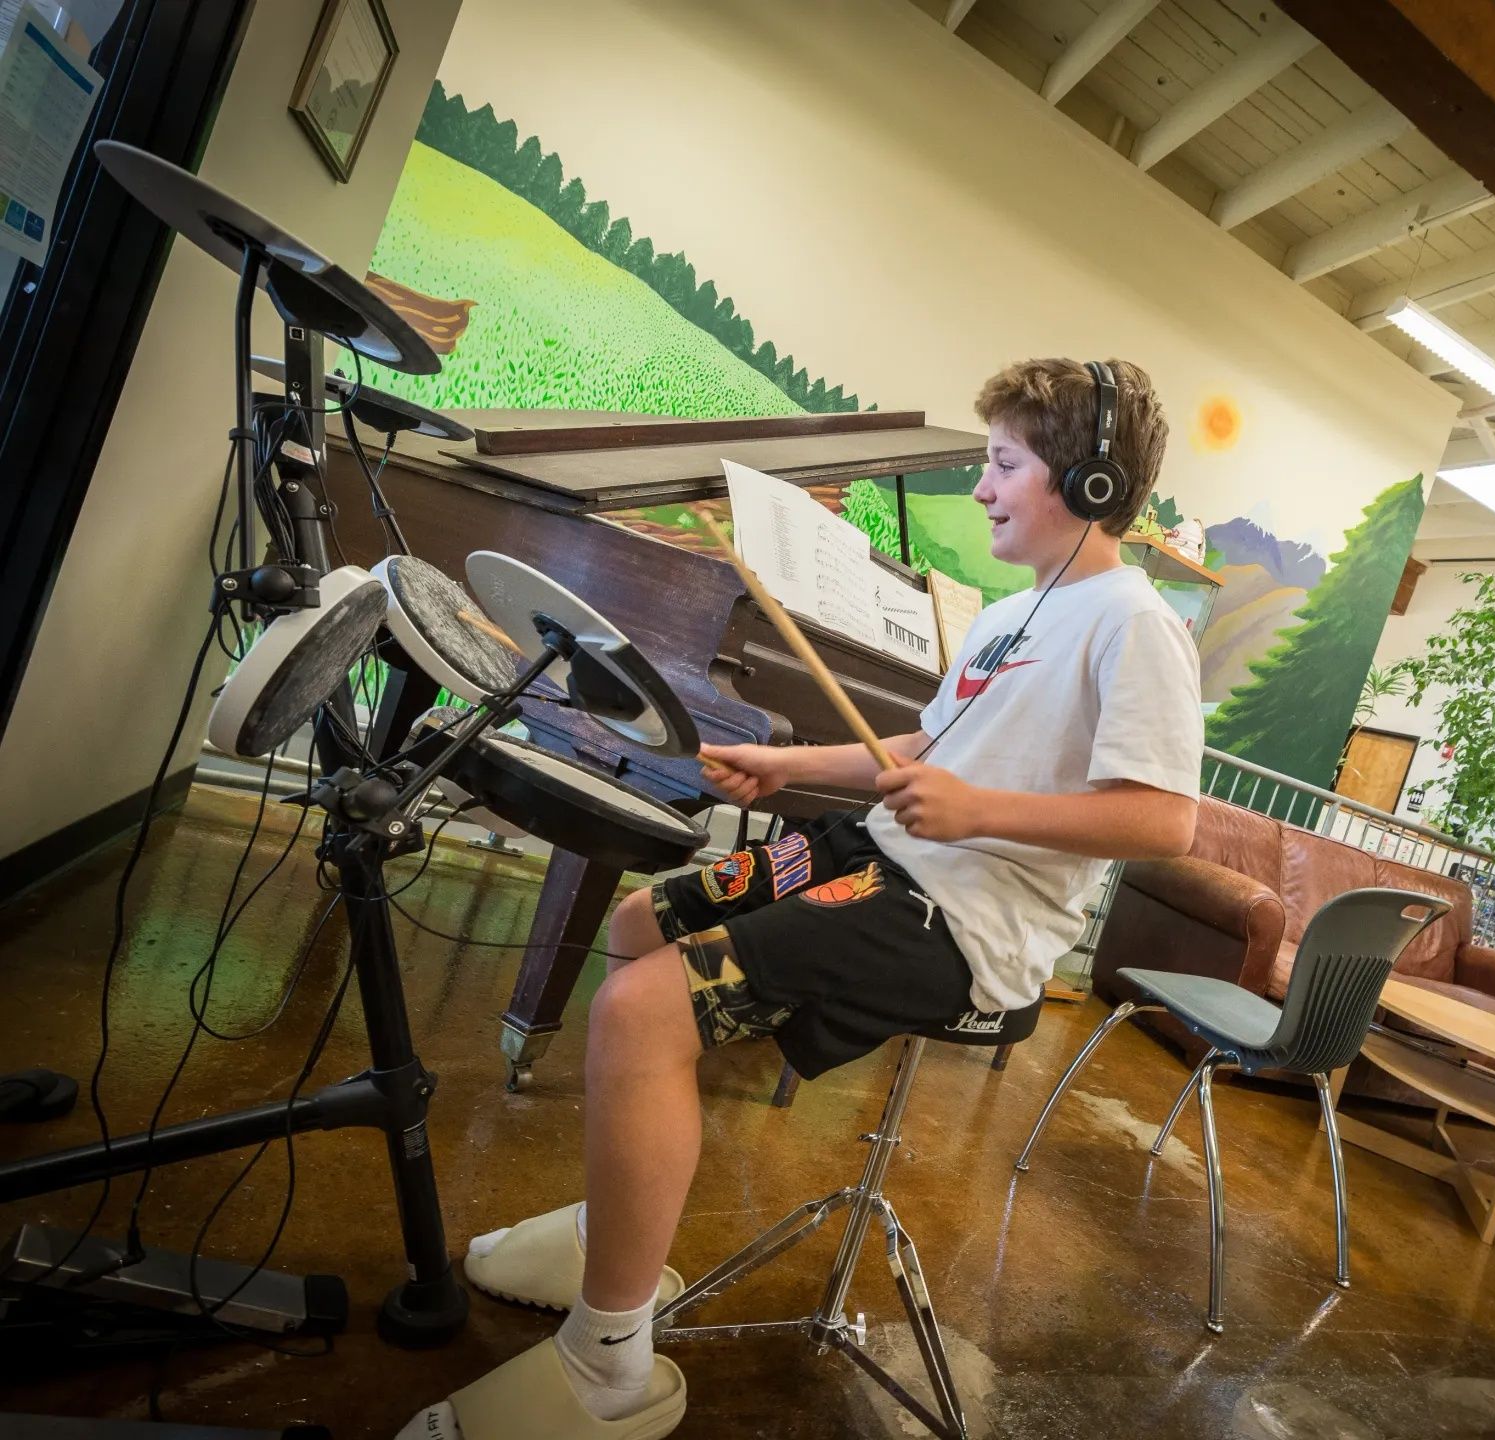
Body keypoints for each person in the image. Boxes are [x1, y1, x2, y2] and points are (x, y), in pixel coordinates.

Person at [399, 358, 1204, 1440]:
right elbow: (923, 749)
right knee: (635, 927)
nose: (982, 487)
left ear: (1091, 481)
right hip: (870, 854)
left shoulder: (1134, 622)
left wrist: (977, 813)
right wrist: (794, 769)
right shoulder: (1010, 616)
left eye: (1004, 464)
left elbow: (1163, 822)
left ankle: (606, 1364)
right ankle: (617, 1222)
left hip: (962, 921)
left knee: (640, 1012)